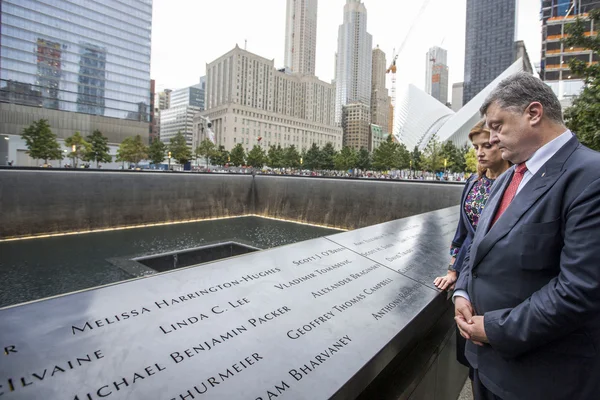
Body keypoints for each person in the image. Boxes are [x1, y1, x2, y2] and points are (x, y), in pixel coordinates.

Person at [453, 72, 600, 400]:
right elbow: (479, 245)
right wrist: (462, 290)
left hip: (542, 378)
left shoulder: (590, 178)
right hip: (486, 367)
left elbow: (579, 289)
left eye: (497, 125)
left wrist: (493, 329)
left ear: (534, 113)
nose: (491, 138)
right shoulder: (508, 177)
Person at [434, 119, 510, 383]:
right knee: (470, 353)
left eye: (487, 145)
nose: (480, 152)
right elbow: (463, 233)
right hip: (470, 275)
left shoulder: (516, 184)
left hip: (501, 279)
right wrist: (453, 270)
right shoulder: (472, 183)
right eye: (476, 146)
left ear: (502, 145)